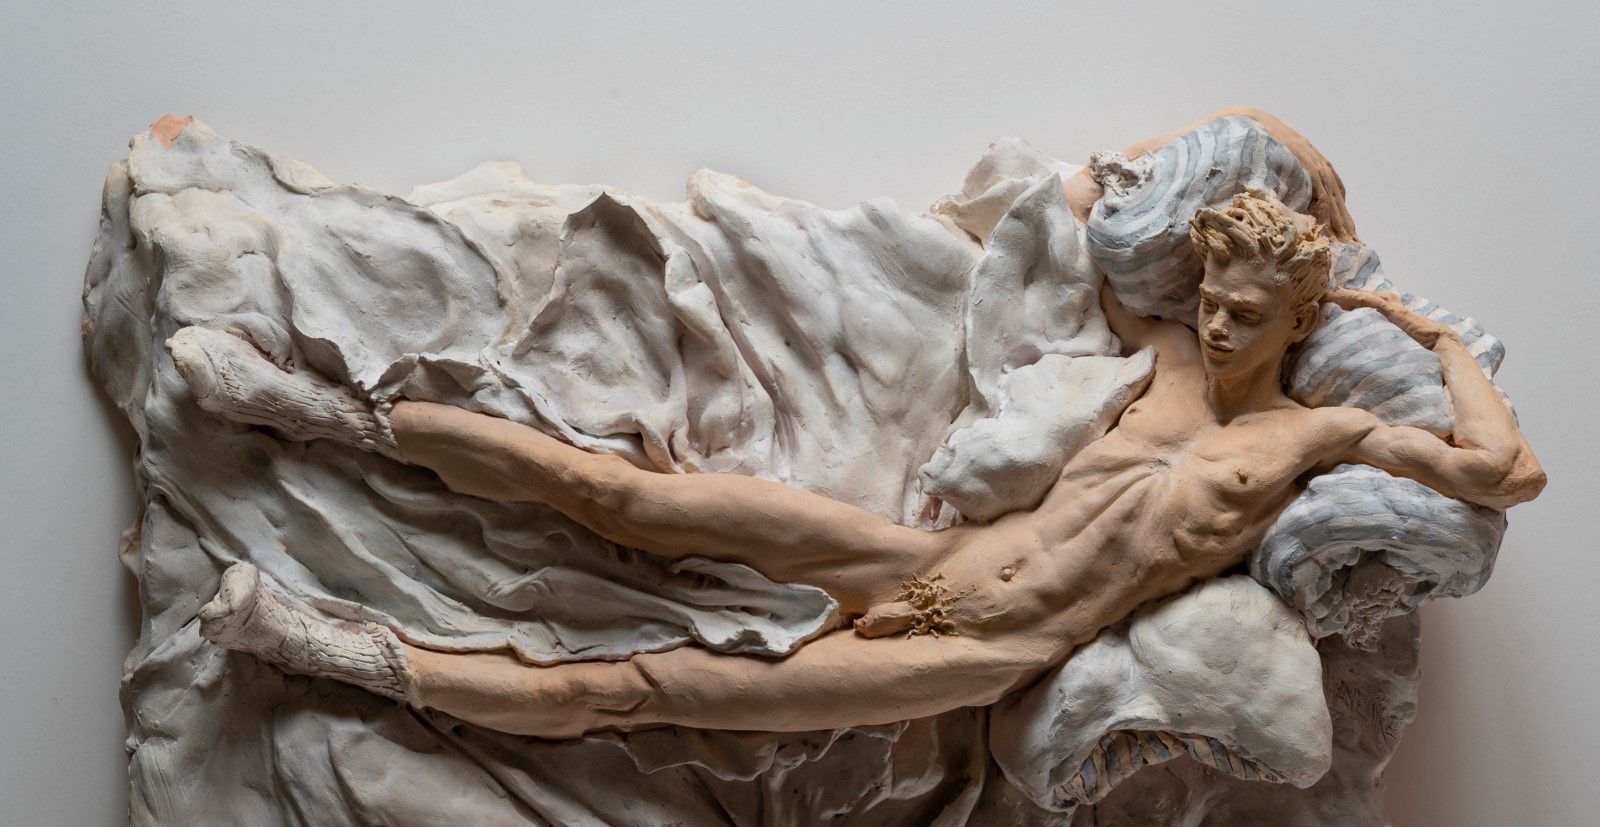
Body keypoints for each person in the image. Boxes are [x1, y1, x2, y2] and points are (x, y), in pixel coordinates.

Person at [168, 117, 1544, 750]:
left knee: (646, 689)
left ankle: (332, 650)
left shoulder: (1315, 436)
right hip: (920, 561)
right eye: (1216, 299)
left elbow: (1507, 472)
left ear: (1301, 319)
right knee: (627, 497)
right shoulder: (1171, 347)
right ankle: (317, 409)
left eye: (1252, 313)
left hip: (983, 648)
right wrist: (1292, 163)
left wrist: (1420, 335)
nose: (1224, 323)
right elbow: (1159, 173)